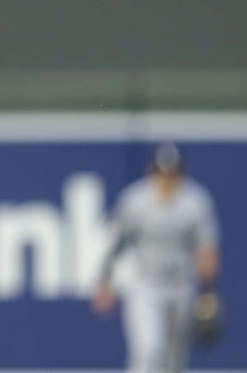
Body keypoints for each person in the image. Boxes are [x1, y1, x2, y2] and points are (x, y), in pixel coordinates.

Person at [92, 142, 221, 373]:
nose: (167, 180)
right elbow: (115, 244)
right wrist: (105, 281)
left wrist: (208, 292)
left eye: (172, 174)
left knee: (175, 361)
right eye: (162, 174)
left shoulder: (195, 202)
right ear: (151, 172)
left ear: (182, 173)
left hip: (182, 285)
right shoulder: (136, 201)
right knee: (149, 351)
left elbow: (206, 251)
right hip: (146, 285)